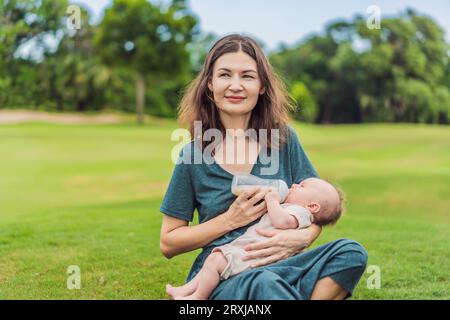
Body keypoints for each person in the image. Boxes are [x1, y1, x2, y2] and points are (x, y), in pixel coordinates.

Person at [160, 34, 368, 300]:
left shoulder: (283, 139)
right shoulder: (193, 155)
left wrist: (304, 238)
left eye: (247, 76)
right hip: (225, 275)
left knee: (350, 253)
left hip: (285, 265)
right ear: (210, 84)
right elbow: (169, 242)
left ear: (261, 86)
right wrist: (230, 220)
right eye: (225, 75)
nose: (235, 85)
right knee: (263, 283)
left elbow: (318, 209)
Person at [166, 178, 344, 300]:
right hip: (251, 255)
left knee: (215, 261)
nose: (295, 184)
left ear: (312, 206)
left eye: (301, 186)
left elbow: (282, 221)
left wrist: (272, 201)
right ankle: (187, 290)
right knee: (213, 262)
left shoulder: (300, 213)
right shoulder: (294, 207)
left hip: (252, 256)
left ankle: (198, 297)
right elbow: (167, 244)